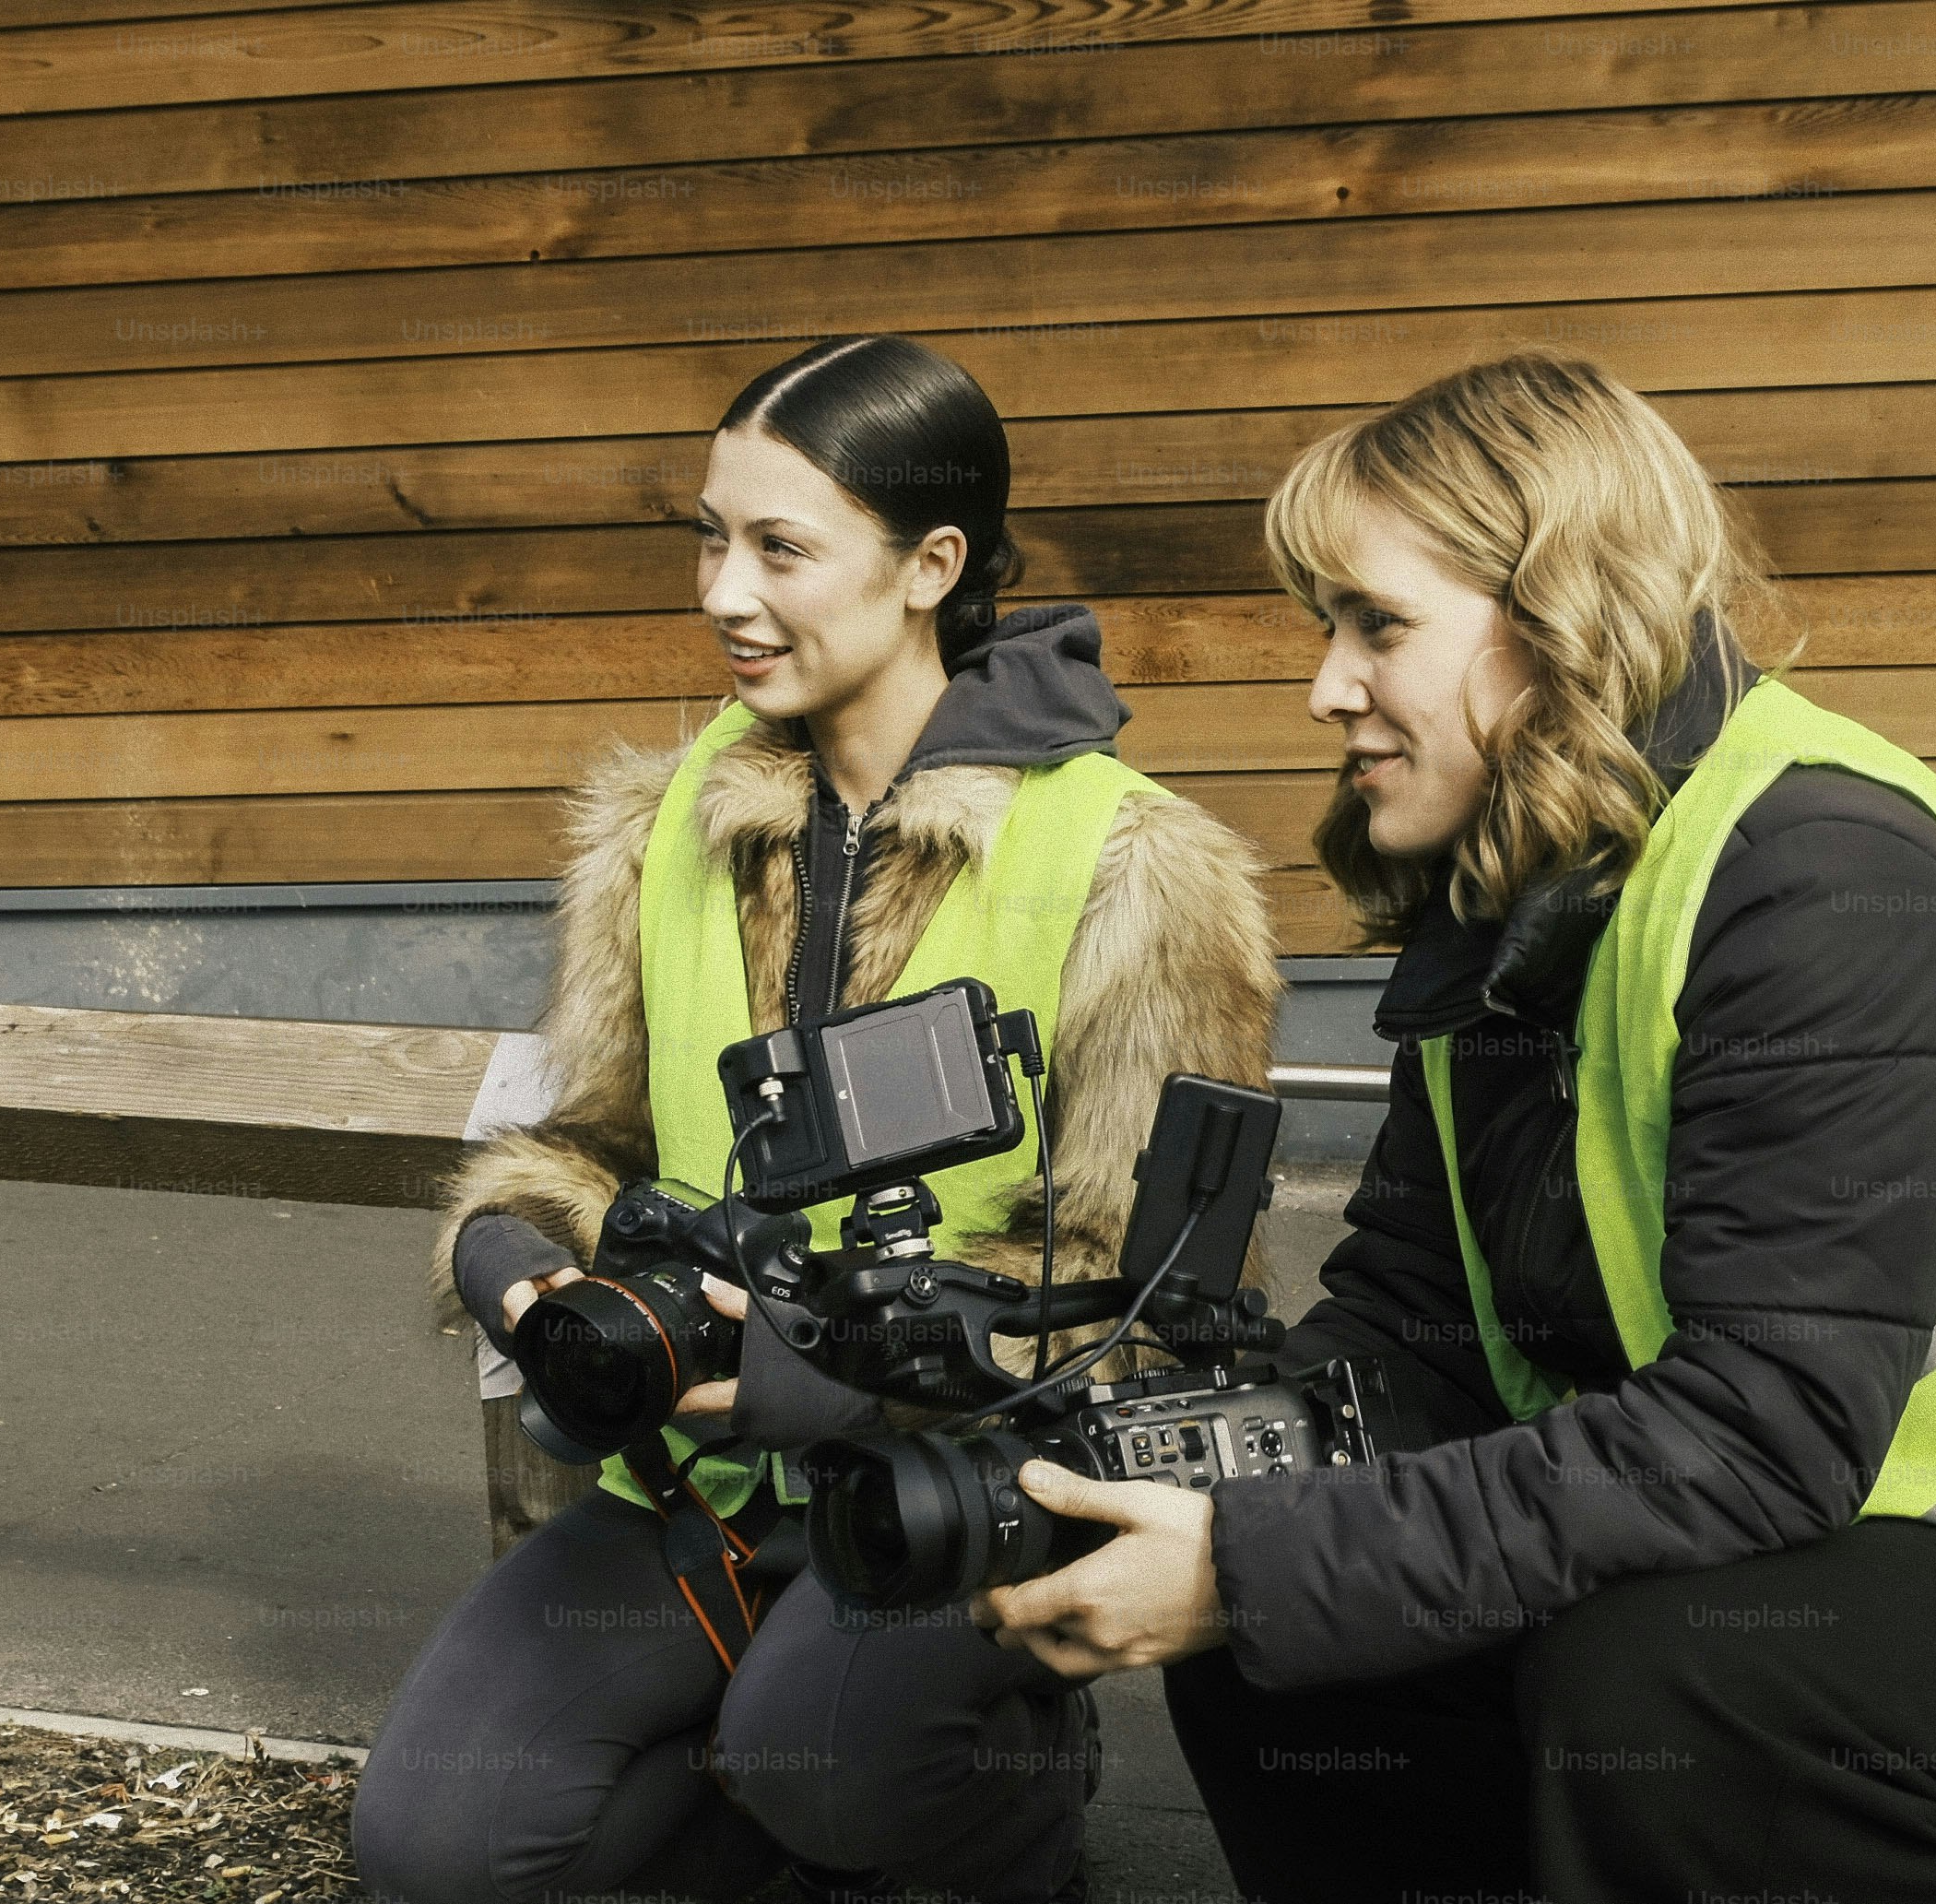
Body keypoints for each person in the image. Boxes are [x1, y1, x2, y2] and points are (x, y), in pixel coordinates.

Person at [962, 349, 1936, 1904]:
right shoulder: (1530, 876)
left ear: (1557, 619)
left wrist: (1259, 1565)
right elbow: (1417, 1323)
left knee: (1668, 1681)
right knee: (1289, 1620)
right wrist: (1157, 1470)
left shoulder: (1822, 879)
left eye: (1380, 625)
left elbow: (1766, 1429)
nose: (1327, 686)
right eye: (1327, 627)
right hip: (1872, 1543)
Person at [348, 333, 1284, 1904]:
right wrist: (514, 1247)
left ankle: (993, 1816)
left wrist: (849, 1379)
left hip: (953, 1492)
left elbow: (1162, 1304)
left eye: (781, 546)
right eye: (711, 536)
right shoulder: (659, 824)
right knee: (433, 1849)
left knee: (822, 1758)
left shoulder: (1138, 869)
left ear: (933, 564)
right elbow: (591, 1141)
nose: (725, 590)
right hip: (689, 1494)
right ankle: (803, 1828)